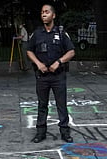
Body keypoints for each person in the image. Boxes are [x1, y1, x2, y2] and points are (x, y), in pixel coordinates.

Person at [27, 4, 76, 143]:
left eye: (47, 12)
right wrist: (38, 63)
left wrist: (59, 62)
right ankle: (40, 132)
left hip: (58, 76)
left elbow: (71, 51)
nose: (44, 14)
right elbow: (29, 51)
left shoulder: (60, 33)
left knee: (61, 104)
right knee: (42, 104)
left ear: (53, 15)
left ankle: (65, 132)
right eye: (42, 12)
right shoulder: (37, 34)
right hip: (42, 76)